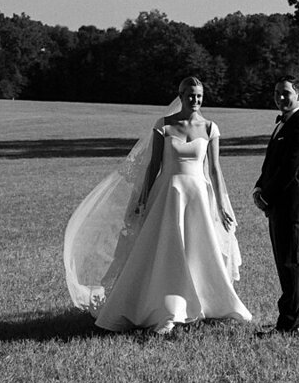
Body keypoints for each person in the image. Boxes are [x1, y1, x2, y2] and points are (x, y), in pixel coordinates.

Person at [63, 75, 252, 335]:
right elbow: (154, 167)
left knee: (199, 250)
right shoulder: (163, 125)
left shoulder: (210, 128)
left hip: (197, 196)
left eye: (199, 95)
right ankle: (164, 308)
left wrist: (221, 205)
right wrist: (142, 199)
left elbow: (216, 170)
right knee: (166, 250)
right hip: (168, 195)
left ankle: (208, 302)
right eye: (190, 94)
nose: (194, 99)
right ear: (181, 95)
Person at [252, 76, 299, 336]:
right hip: (280, 207)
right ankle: (289, 318)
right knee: (285, 265)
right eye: (277, 92)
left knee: (291, 267)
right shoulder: (286, 123)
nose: (281, 97)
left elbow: (289, 169)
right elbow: (272, 164)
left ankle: (291, 324)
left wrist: (266, 197)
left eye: (286, 93)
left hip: (292, 208)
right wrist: (259, 187)